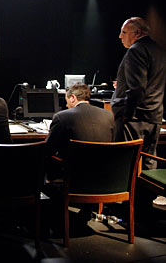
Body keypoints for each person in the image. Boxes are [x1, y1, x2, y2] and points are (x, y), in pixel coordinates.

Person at [111, 17, 166, 209]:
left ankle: (128, 210)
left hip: (135, 119)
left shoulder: (136, 50)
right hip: (154, 116)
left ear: (138, 33)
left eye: (124, 32)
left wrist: (126, 114)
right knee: (149, 161)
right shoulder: (158, 50)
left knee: (127, 163)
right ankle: (143, 207)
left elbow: (137, 89)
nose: (120, 36)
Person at [46, 83, 115, 158]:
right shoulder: (109, 116)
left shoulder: (61, 117)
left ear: (72, 98)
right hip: (105, 167)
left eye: (66, 101)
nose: (66, 105)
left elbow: (48, 149)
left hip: (73, 168)